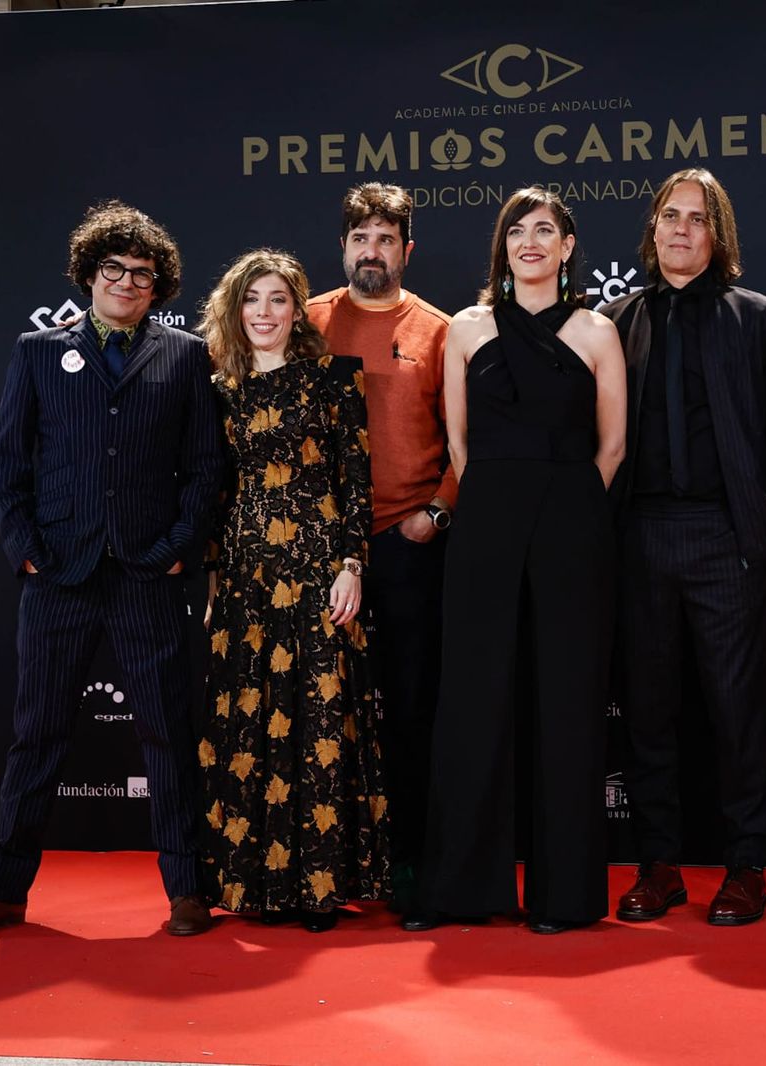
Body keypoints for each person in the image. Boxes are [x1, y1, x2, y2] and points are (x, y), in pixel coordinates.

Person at [0, 201, 223, 942]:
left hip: (148, 574)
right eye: (114, 269)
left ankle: (188, 891)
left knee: (167, 732)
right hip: (58, 572)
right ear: (89, 274)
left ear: (158, 285)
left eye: (143, 273)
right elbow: (10, 462)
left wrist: (179, 548)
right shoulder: (39, 351)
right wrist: (25, 548)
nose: (128, 281)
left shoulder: (185, 355)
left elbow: (203, 469)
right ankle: (0, 894)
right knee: (36, 738)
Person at [414, 187, 626, 934]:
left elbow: (613, 447)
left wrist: (562, 508)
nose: (530, 243)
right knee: (475, 699)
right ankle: (465, 888)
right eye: (516, 232)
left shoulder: (599, 330)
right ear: (502, 249)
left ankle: (563, 897)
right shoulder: (467, 329)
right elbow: (459, 447)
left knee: (568, 703)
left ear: (569, 247)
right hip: (487, 522)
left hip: (574, 522)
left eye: (545, 231)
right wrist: (503, 507)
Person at [604, 168, 766, 927]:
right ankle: (659, 866)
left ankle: (745, 866)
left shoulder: (758, 319)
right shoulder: (615, 320)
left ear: (716, 236)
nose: (681, 229)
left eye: (697, 219)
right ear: (652, 230)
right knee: (649, 715)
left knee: (737, 714)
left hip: (729, 540)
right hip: (641, 537)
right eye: (669, 217)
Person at [195, 249, 392, 933]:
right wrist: (216, 583)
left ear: (297, 309)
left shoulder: (333, 381)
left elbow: (354, 480)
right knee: (250, 721)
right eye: (252, 300)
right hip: (247, 576)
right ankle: (255, 886)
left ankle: (319, 885)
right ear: (233, 308)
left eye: (278, 299)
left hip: (317, 571)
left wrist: (351, 565)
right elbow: (216, 495)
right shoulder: (218, 388)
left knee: (318, 721)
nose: (265, 313)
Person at [308, 183, 454, 913]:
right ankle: (323, 870)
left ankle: (412, 867)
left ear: (407, 249)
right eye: (360, 238)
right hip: (318, 553)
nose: (373, 251)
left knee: (410, 710)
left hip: (407, 546)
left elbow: (470, 444)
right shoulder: (306, 323)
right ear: (343, 247)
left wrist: (436, 512)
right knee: (321, 715)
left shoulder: (440, 329)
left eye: (386, 239)